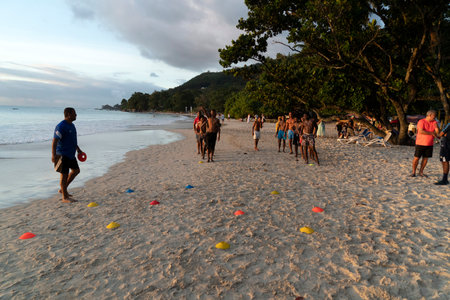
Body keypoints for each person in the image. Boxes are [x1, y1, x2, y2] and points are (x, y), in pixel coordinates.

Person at [51, 107, 83, 203]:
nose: (76, 115)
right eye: (74, 113)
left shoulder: (72, 125)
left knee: (76, 171)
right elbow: (54, 141)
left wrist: (78, 150)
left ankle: (63, 189)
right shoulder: (61, 126)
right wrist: (53, 155)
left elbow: (72, 140)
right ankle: (65, 197)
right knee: (64, 175)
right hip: (62, 154)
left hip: (71, 154)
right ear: (69, 114)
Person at [411, 110, 439, 177]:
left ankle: (421, 172)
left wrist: (436, 127)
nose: (434, 118)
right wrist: (431, 133)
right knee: (416, 158)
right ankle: (413, 172)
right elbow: (421, 131)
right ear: (430, 115)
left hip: (429, 143)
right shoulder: (421, 121)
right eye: (434, 116)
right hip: (420, 143)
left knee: (425, 159)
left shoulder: (434, 122)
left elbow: (437, 133)